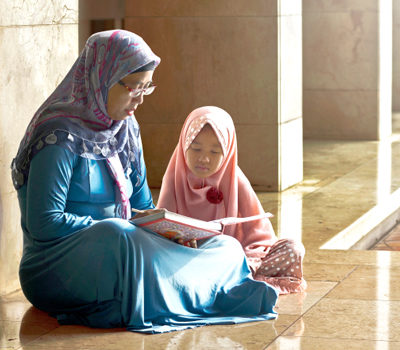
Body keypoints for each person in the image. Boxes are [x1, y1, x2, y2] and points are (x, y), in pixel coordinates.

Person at [11, 30, 279, 334]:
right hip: (57, 266)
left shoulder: (126, 130)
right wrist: (121, 227)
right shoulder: (59, 135)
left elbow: (141, 208)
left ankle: (173, 292)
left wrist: (172, 233)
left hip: (126, 250)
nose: (139, 98)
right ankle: (188, 292)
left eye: (146, 87)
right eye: (133, 87)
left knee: (225, 247)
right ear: (102, 77)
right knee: (118, 232)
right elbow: (45, 222)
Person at [157, 106, 307, 294]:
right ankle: (229, 281)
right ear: (184, 146)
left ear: (227, 153)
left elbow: (260, 233)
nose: (203, 158)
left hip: (229, 258)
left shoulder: (235, 180)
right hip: (186, 257)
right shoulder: (174, 176)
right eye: (195, 148)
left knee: (292, 248)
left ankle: (230, 278)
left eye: (215, 152)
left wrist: (246, 255)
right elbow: (162, 229)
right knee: (153, 256)